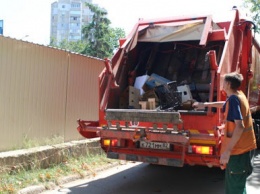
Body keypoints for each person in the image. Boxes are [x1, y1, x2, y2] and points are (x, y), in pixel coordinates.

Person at [193, 72, 257, 194]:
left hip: (238, 151)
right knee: (237, 185)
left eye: (223, 82)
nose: (221, 84)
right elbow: (225, 104)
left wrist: (227, 151)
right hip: (244, 149)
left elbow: (239, 127)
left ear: (227, 84)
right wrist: (205, 104)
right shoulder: (238, 95)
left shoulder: (234, 100)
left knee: (234, 189)